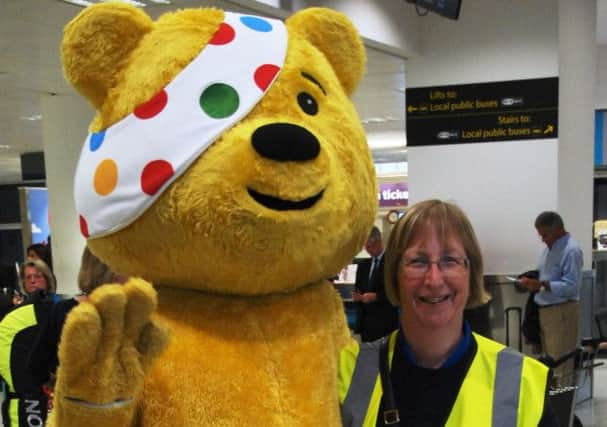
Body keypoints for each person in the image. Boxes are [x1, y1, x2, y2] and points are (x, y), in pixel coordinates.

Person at [339, 199, 558, 426]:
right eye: (418, 261)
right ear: (394, 275)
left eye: (449, 260)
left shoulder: (522, 383)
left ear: (470, 272)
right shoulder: (348, 373)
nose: (434, 280)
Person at [27, 247, 127, 395]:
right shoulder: (129, 313)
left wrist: (58, 386)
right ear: (114, 274)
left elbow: (35, 367)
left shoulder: (63, 310)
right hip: (116, 407)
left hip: (76, 406)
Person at [517, 211, 583, 385]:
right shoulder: (548, 250)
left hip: (562, 312)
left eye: (545, 234)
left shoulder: (571, 250)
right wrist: (531, 281)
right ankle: (552, 406)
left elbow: (572, 286)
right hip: (545, 312)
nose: (542, 239)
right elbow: (545, 276)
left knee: (561, 364)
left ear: (558, 229)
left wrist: (543, 285)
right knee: (549, 363)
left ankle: (562, 406)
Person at [0, 260, 58, 426]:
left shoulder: (59, 309)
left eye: (38, 276)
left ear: (48, 278)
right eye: (28, 277)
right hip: (24, 399)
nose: (33, 280)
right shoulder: (13, 317)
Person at [352, 226, 399, 342]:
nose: (368, 250)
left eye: (370, 246)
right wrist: (357, 296)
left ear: (379, 241)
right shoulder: (363, 265)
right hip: (367, 323)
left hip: (386, 321)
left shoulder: (392, 263)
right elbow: (359, 288)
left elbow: (396, 291)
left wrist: (376, 297)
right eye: (366, 247)